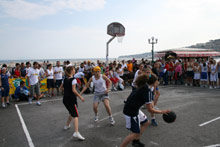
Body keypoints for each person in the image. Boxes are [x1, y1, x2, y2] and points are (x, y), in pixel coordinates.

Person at [120, 74, 170, 147]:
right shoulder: (147, 91)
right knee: (134, 133)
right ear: (154, 82)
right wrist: (163, 112)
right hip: (131, 112)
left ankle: (136, 141)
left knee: (146, 123)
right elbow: (150, 109)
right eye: (157, 81)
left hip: (133, 108)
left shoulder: (144, 86)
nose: (158, 82)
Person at [59, 66, 85, 141]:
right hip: (71, 100)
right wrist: (80, 97)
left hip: (65, 99)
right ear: (71, 71)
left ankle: (66, 125)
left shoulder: (64, 79)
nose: (74, 70)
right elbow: (74, 90)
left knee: (71, 112)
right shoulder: (73, 80)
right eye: (73, 69)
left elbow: (61, 88)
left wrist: (67, 89)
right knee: (75, 115)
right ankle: (76, 132)